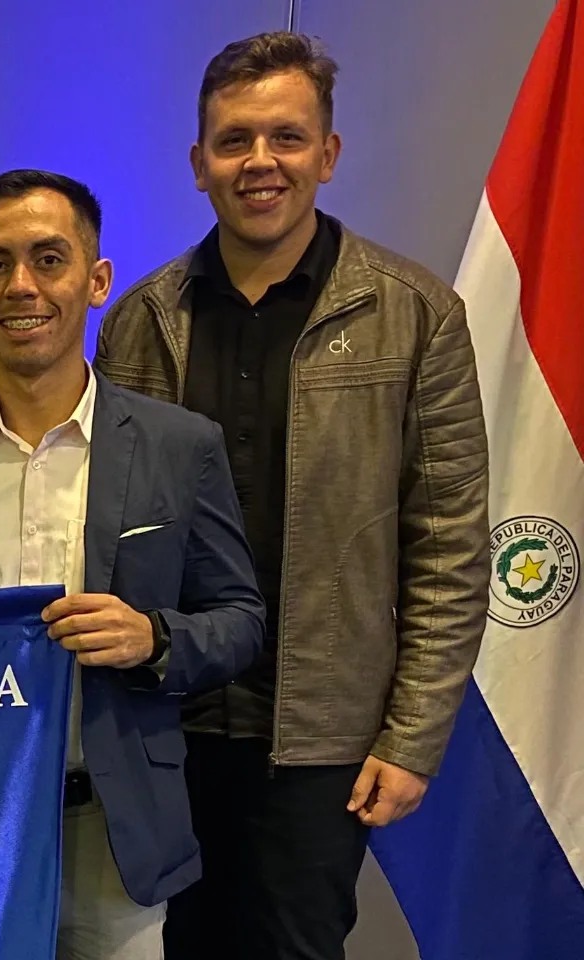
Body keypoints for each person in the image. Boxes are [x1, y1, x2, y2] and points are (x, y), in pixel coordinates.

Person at [94, 32, 489, 960]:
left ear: (328, 153)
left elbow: (450, 549)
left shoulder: (416, 315)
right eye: (234, 140)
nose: (260, 161)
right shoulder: (142, 322)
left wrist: (412, 738)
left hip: (319, 738)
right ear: (199, 162)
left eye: (286, 137)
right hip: (164, 721)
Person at [0, 170, 265, 960]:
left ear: (96, 281)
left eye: (48, 259)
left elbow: (241, 621)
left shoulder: (179, 446)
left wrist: (152, 638)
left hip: (114, 831)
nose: (22, 285)